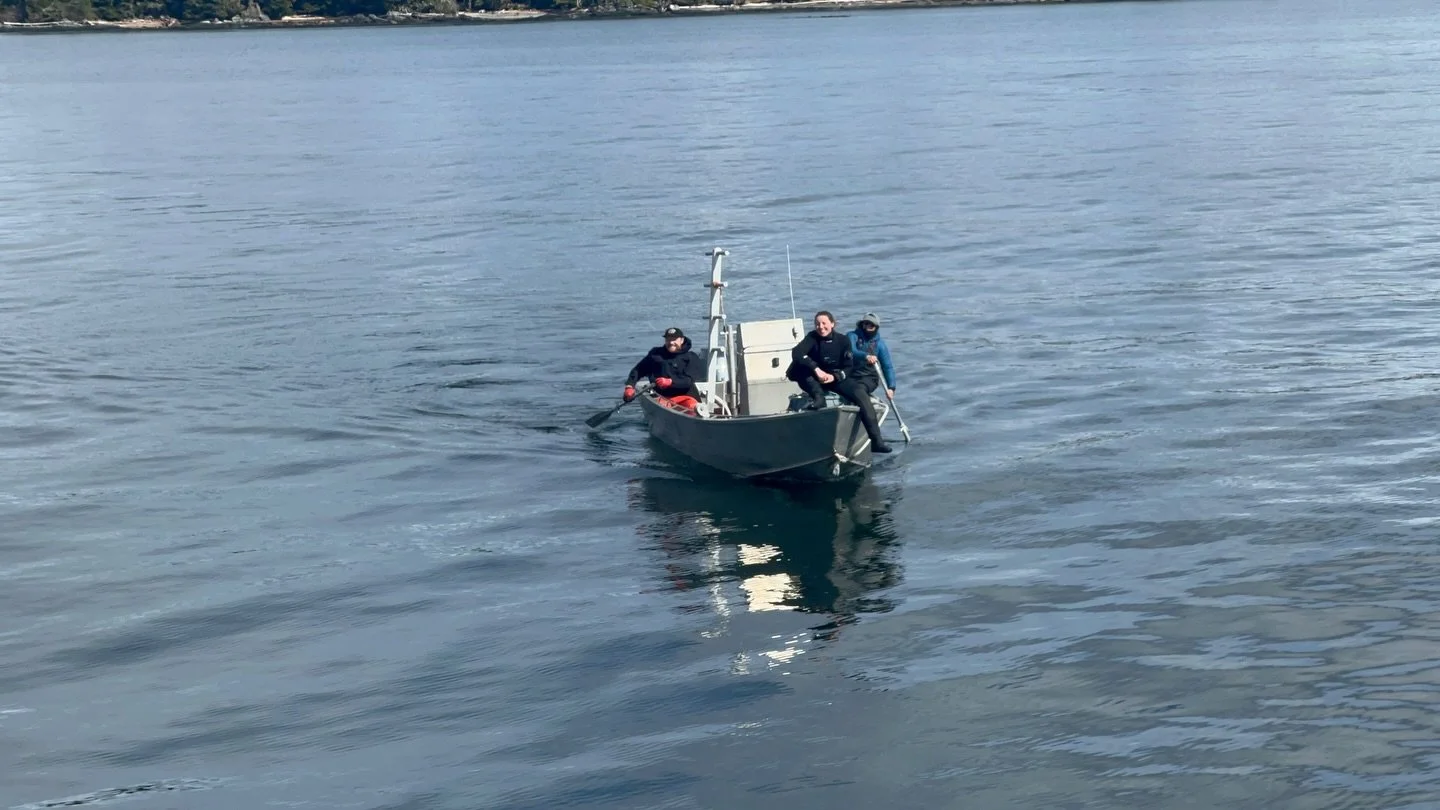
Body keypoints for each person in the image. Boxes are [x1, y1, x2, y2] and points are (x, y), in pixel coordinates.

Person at [786, 311, 892, 454]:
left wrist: (834, 377)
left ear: (832, 324)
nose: (821, 327)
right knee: (799, 369)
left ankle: (876, 441)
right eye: (817, 324)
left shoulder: (842, 340)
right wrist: (816, 369)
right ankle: (819, 398)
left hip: (835, 377)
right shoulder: (812, 337)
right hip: (814, 378)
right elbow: (796, 352)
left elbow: (848, 367)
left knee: (860, 393)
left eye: (824, 323)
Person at [625, 327, 705, 409]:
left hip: (686, 395)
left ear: (682, 340)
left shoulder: (691, 357)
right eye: (668, 339)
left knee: (694, 407)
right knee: (662, 405)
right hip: (661, 396)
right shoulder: (656, 354)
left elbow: (689, 381)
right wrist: (630, 386)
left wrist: (671, 382)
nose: (671, 342)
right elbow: (639, 370)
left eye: (674, 339)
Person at [846, 312, 896, 400]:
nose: (868, 327)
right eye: (866, 324)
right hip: (850, 374)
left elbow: (887, 367)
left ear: (876, 327)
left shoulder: (880, 345)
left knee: (858, 390)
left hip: (869, 377)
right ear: (862, 324)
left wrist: (891, 388)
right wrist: (866, 356)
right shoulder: (852, 336)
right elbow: (852, 350)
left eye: (871, 325)